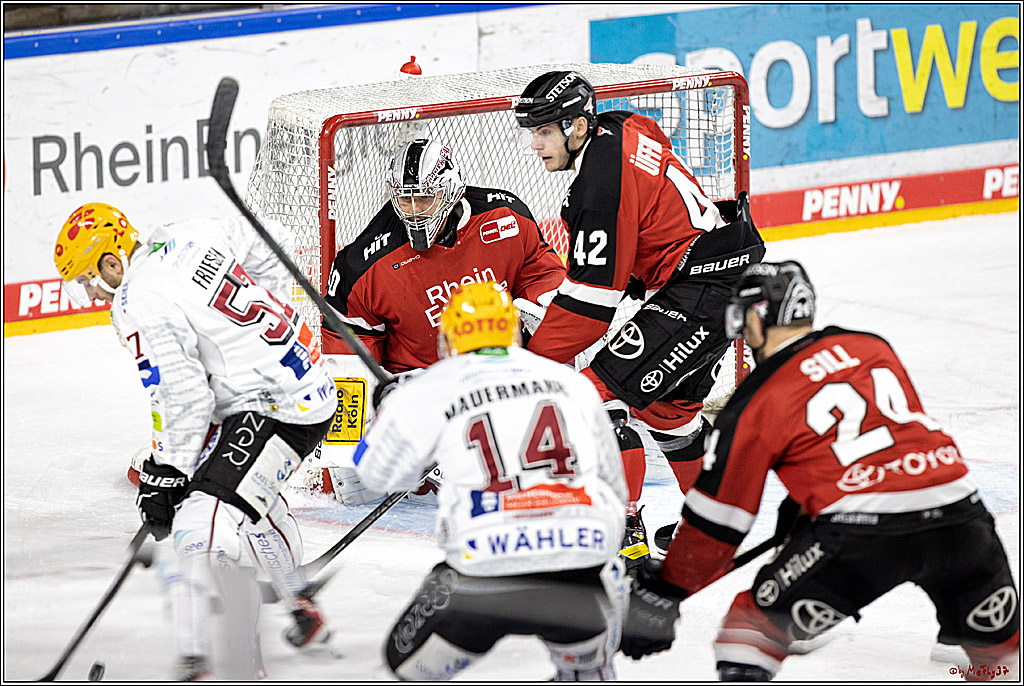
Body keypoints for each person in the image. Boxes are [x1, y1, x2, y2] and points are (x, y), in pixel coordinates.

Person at [620, 260, 1020, 681]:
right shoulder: (872, 346)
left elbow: (719, 520)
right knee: (1000, 660)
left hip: (863, 536)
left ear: (758, 317)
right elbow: (881, 448)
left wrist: (665, 590)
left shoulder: (759, 397)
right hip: (965, 520)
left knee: (746, 635)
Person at [55, 202, 341, 680]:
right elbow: (273, 234)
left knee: (201, 520)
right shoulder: (188, 231)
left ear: (110, 262)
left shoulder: (135, 300)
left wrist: (166, 474)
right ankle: (299, 604)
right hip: (297, 379)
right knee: (250, 500)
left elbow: (183, 396)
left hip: (275, 405)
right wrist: (262, 328)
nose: (89, 292)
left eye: (87, 278)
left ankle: (225, 660)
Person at [513, 70, 766, 567]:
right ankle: (710, 526)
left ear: (578, 127)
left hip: (701, 288)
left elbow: (589, 310)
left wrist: (529, 365)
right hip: (725, 268)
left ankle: (623, 532)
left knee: (594, 394)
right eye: (533, 133)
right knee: (668, 412)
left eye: (545, 132)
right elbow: (653, 182)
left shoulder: (598, 187)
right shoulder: (624, 124)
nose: (536, 145)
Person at [352, 281, 629, 681]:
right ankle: (588, 661)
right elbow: (612, 485)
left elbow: (375, 474)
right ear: (514, 331)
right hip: (583, 573)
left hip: (482, 573)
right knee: (590, 667)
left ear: (447, 338)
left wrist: (388, 412)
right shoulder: (570, 382)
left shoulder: (430, 387)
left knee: (405, 666)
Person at [319, 137, 566, 504]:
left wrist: (530, 316)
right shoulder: (362, 265)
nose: (415, 210)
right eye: (406, 199)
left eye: (425, 198)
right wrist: (356, 442)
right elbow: (347, 360)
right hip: (420, 388)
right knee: (356, 488)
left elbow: (544, 279)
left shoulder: (505, 217)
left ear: (450, 189)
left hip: (498, 375)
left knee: (564, 332)